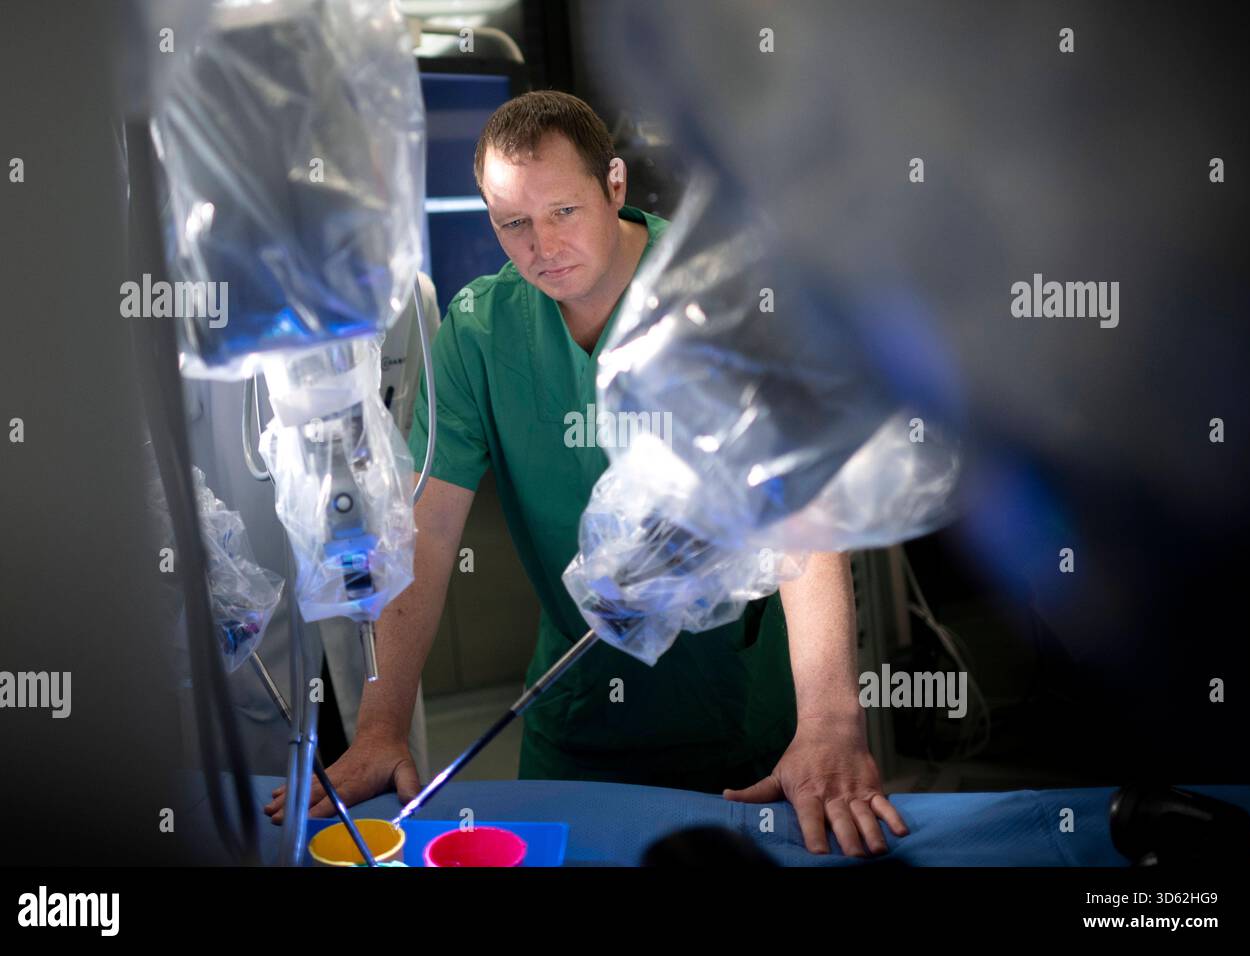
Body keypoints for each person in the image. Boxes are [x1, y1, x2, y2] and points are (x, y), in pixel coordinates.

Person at [267, 90, 907, 856]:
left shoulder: (722, 301)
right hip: (578, 727)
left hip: (752, 730)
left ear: (613, 185)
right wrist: (378, 728)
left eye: (562, 211)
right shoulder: (478, 332)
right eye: (512, 223)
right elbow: (428, 531)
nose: (540, 246)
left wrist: (830, 725)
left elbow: (803, 512)